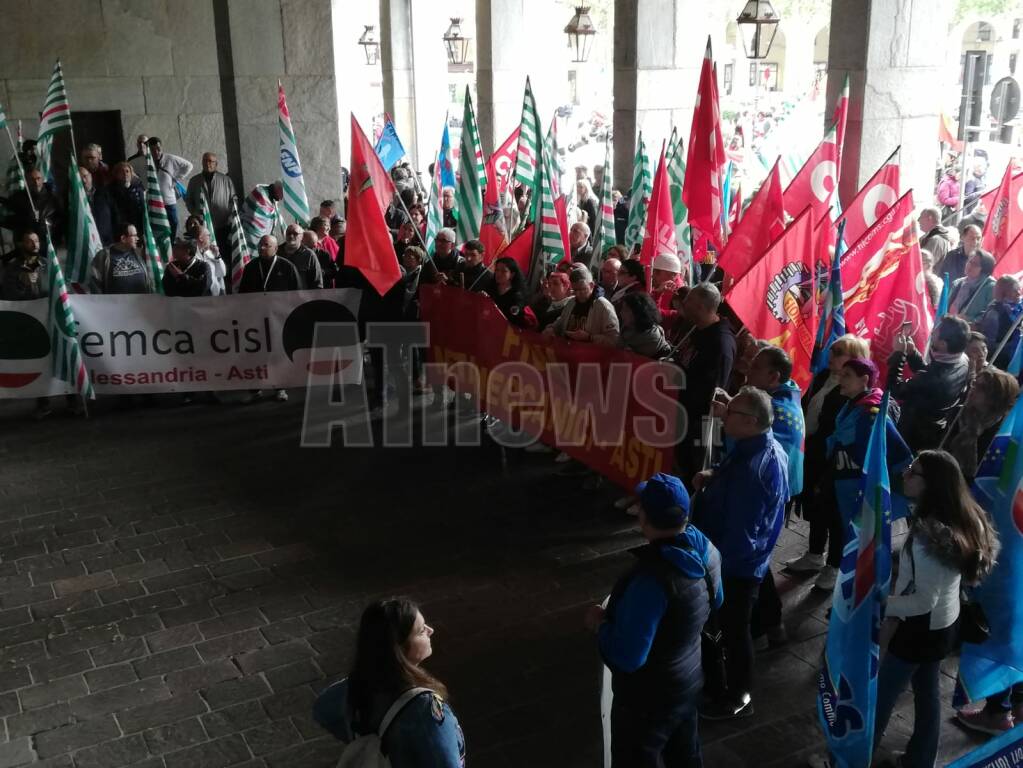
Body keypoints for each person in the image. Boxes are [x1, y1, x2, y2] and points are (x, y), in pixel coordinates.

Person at [587, 473, 723, 768]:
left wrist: (600, 623)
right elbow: (716, 600)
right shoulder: (706, 550)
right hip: (689, 678)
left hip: (648, 698)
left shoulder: (651, 581)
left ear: (644, 518)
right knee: (685, 755)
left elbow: (629, 656)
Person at [873, 450, 999, 768]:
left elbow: (922, 600)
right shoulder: (958, 521)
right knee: (927, 694)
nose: (905, 474)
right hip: (944, 624)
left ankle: (848, 757)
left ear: (931, 485)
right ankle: (920, 759)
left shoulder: (930, 538)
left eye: (912, 472)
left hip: (920, 629)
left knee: (883, 696)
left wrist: (882, 602)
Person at [690, 387, 788, 720]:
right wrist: (713, 475)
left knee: (732, 630)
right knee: (729, 627)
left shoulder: (753, 469)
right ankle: (717, 684)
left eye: (730, 411)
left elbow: (741, 533)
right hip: (739, 558)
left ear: (749, 421)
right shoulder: (759, 446)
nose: (723, 414)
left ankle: (736, 694)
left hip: (735, 565)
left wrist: (710, 568)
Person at [312, 598, 466, 767]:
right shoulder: (425, 709)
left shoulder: (359, 684)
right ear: (398, 648)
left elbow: (322, 708)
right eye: (421, 631)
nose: (431, 630)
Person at [825, 358, 913, 590]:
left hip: (864, 494)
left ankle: (861, 598)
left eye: (847, 376)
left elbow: (896, 454)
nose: (839, 379)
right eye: (840, 374)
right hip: (849, 488)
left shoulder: (871, 412)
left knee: (865, 547)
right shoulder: (854, 405)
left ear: (864, 380)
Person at [787, 335, 871, 578]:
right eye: (832, 351)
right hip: (814, 448)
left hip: (834, 457)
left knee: (835, 512)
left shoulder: (852, 392)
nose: (831, 357)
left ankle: (833, 566)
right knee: (816, 505)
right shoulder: (825, 376)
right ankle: (814, 554)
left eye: (838, 353)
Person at [676, 284, 736, 480]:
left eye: (690, 300)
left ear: (701, 306)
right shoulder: (697, 330)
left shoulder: (720, 343)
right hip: (685, 419)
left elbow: (711, 392)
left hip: (704, 425)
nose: (684, 303)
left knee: (696, 472)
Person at [887, 315, 971, 451]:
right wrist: (912, 353)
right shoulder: (962, 360)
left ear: (943, 344)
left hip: (913, 436)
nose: (932, 333)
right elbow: (928, 372)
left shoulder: (934, 380)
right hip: (935, 429)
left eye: (935, 334)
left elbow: (894, 390)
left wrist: (898, 354)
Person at [239, 235, 301, 403]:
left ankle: (280, 387)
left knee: (278, 353)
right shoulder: (251, 267)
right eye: (260, 245)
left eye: (266, 245)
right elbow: (242, 293)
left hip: (279, 317)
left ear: (275, 248)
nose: (261, 248)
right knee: (256, 353)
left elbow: (297, 293)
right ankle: (255, 388)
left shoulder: (286, 267)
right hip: (256, 318)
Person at [946, 367, 1020, 482]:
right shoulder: (959, 413)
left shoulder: (1002, 433)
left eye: (981, 388)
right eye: (974, 383)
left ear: (996, 397)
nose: (973, 389)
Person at [546, 265, 620, 345]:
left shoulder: (603, 306)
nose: (578, 294)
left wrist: (589, 337)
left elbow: (614, 339)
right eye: (575, 290)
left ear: (591, 285)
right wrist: (551, 328)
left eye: (582, 289)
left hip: (590, 354)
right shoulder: (572, 302)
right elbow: (561, 321)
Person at [185, 152, 237, 255]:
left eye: (210, 161)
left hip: (223, 225)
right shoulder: (194, 181)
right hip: (203, 227)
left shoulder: (226, 180)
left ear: (216, 164)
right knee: (207, 253)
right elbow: (189, 200)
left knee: (224, 253)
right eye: (205, 161)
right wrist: (195, 214)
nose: (207, 163)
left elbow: (233, 200)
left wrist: (230, 217)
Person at [145, 137, 193, 237]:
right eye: (153, 150)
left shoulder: (169, 159)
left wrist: (176, 179)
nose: (156, 152)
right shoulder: (146, 161)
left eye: (158, 149)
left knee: (173, 223)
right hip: (153, 202)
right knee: (157, 227)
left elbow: (189, 166)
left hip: (169, 200)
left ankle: (171, 245)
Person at [4, 168, 62, 250]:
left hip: (46, 243)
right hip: (24, 243)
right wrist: (27, 219)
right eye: (32, 179)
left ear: (42, 179)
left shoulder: (52, 199)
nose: (36, 182)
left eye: (38, 178)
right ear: (26, 181)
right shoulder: (17, 198)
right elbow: (7, 219)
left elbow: (60, 220)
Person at [88, 222, 154, 294]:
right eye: (134, 236)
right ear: (123, 239)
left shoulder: (139, 254)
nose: (137, 238)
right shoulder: (103, 256)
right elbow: (95, 284)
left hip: (141, 303)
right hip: (114, 304)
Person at [978, 275, 1023, 369]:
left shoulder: (1018, 309)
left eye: (1019, 289)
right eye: (1015, 290)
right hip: (1005, 360)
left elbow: (989, 345)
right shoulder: (995, 312)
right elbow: (989, 345)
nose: (1019, 293)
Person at [617, 291, 672, 358]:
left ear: (637, 313)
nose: (621, 313)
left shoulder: (651, 338)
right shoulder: (627, 330)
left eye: (626, 310)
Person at [487, 257, 537, 329]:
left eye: (504, 271)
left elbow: (515, 320)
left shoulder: (516, 296)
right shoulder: (491, 287)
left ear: (512, 274)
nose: (498, 273)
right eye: (497, 270)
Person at [949, 250, 997, 324]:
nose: (969, 266)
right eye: (969, 261)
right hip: (948, 325)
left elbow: (989, 316)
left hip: (967, 331)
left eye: (975, 264)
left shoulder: (991, 287)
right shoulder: (957, 282)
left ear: (984, 269)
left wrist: (969, 320)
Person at [1, 230, 46, 301]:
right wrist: (22, 283)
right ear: (21, 244)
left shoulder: (47, 264)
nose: (35, 245)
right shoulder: (12, 268)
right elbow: (8, 298)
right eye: (29, 242)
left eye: (36, 241)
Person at [241, 181, 284, 250]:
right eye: (283, 195)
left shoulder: (271, 196)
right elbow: (258, 220)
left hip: (261, 238)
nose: (282, 199)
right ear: (278, 189)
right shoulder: (261, 194)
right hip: (251, 235)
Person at [77, 166, 114, 245]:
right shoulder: (73, 198)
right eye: (79, 178)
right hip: (86, 243)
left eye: (85, 176)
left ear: (90, 176)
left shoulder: (104, 193)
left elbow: (115, 213)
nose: (83, 180)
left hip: (106, 240)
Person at [280, 223, 324, 289]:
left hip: (302, 297)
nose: (291, 236)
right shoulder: (277, 252)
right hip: (279, 297)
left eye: (295, 234)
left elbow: (317, 283)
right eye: (288, 233)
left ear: (301, 237)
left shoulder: (309, 255)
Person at [107, 161, 145, 234]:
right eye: (121, 172)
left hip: (139, 224)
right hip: (123, 227)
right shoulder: (111, 190)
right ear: (116, 174)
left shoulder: (138, 187)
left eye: (127, 171)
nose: (125, 174)